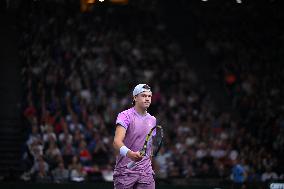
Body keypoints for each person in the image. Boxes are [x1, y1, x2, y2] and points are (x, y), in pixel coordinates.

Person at [113, 84, 157, 189]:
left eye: (149, 96)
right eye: (143, 96)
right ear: (135, 98)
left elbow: (149, 146)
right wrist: (130, 154)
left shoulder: (152, 120)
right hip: (125, 172)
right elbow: (116, 142)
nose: (147, 99)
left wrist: (150, 167)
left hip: (145, 173)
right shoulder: (125, 116)